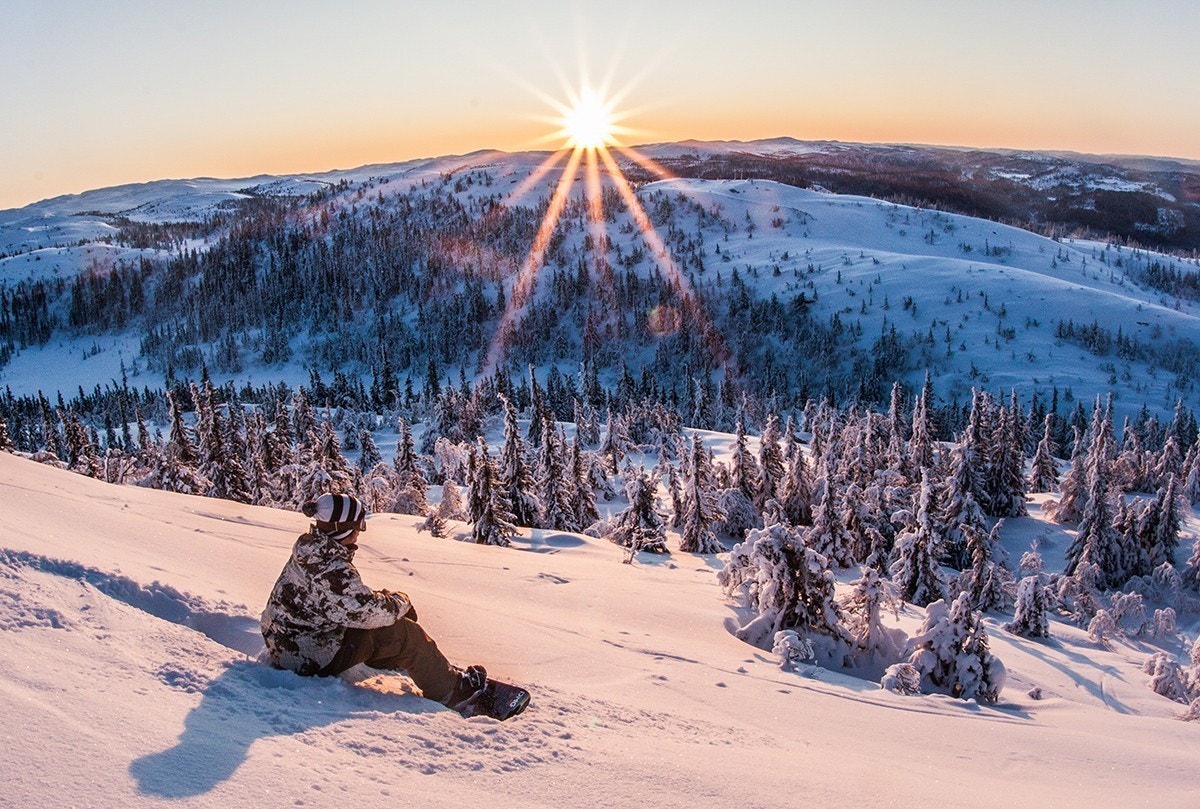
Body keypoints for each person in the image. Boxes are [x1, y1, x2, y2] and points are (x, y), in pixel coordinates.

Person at [260, 492, 506, 718]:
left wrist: (392, 601)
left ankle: (395, 660)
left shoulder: (310, 548)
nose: (360, 533)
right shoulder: (331, 569)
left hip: (289, 640)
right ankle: (454, 692)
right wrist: (403, 601)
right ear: (341, 528)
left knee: (386, 607)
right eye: (358, 526)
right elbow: (367, 612)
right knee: (404, 633)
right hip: (307, 656)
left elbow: (346, 602)